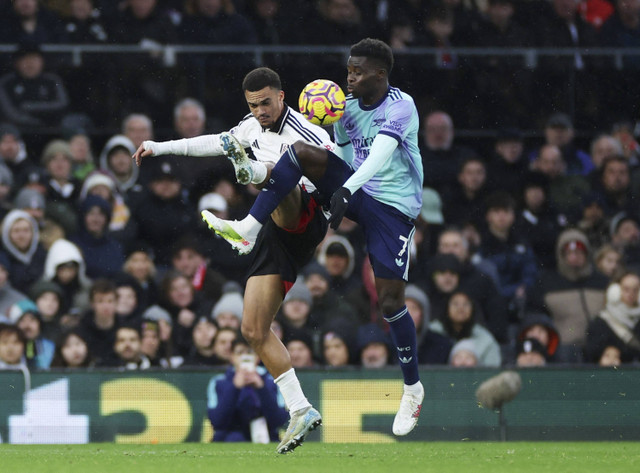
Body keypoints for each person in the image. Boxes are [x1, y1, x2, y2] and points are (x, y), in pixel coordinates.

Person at [196, 39, 425, 438]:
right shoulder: (345, 108)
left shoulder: (401, 107)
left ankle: (412, 388)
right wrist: (321, 189)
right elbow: (339, 151)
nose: (350, 76)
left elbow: (378, 156)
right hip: (354, 191)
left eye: (358, 71)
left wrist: (346, 190)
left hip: (391, 210)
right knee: (301, 152)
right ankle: (249, 226)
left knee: (391, 301)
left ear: (380, 75)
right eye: (348, 69)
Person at [133, 66, 335, 453]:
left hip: (305, 216)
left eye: (265, 103)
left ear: (281, 96)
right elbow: (210, 142)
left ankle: (251, 188)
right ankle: (301, 408)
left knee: (287, 169)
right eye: (252, 105)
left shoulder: (312, 133)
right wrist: (160, 147)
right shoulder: (249, 126)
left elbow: (333, 180)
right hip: (274, 231)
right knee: (253, 329)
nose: (259, 111)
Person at [206, 335, 289, 443]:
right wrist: (234, 387)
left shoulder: (273, 381)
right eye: (240, 353)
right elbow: (217, 421)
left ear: (258, 357)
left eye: (250, 352)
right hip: (229, 439)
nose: (245, 357)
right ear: (232, 357)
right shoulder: (218, 382)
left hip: (266, 437)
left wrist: (261, 388)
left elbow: (279, 420)